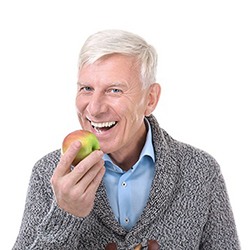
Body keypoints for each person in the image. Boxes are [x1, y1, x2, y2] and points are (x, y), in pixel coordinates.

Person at [13, 29, 240, 249]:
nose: (95, 108)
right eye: (87, 88)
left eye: (114, 90)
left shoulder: (200, 171)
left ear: (150, 99)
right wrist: (66, 213)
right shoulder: (48, 173)